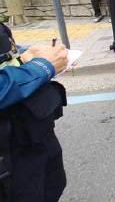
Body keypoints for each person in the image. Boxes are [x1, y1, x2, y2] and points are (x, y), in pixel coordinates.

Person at [0, 23, 69, 201]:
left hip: (34, 131)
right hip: (8, 154)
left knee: (53, 187)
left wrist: (23, 59)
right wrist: (41, 68)